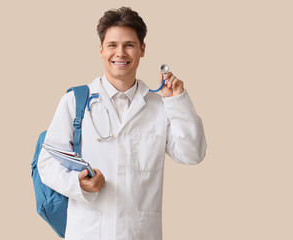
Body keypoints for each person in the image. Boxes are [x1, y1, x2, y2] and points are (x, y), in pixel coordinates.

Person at [38, 6, 206, 240]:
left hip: (140, 233)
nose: (121, 53)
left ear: (142, 49)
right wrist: (77, 184)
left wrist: (177, 100)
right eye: (112, 45)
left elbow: (192, 154)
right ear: (101, 49)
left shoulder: (160, 106)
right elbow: (46, 163)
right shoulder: (74, 102)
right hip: (88, 232)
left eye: (129, 45)